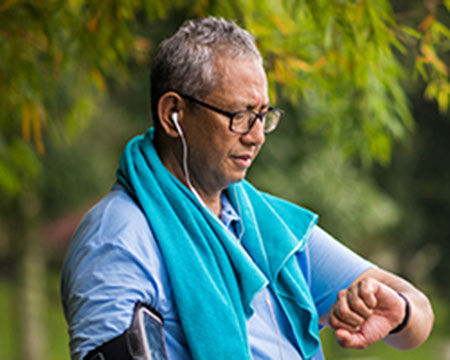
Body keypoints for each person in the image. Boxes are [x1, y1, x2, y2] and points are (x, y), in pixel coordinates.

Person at [61, 17, 434, 360]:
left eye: (262, 116)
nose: (256, 137)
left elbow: (418, 318)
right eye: (239, 117)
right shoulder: (119, 237)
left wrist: (398, 312)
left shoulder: (269, 227)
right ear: (173, 114)